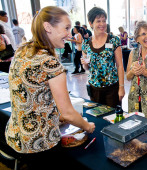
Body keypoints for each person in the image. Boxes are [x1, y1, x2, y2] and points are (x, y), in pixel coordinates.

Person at [5, 6, 95, 168]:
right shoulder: (50, 63)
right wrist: (87, 126)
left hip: (16, 136)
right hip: (39, 142)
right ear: (48, 27)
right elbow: (68, 113)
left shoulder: (23, 49)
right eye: (66, 28)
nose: (69, 34)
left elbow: (32, 96)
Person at [81, 7, 125, 108]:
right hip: (94, 88)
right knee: (98, 118)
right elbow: (86, 68)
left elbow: (120, 66)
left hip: (112, 88)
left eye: (104, 21)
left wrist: (121, 87)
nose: (102, 24)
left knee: (113, 118)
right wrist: (85, 64)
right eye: (98, 21)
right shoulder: (86, 43)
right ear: (91, 23)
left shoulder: (114, 40)